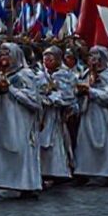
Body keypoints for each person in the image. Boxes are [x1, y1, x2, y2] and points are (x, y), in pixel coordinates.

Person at [0, 42, 42, 199]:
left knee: (21, 151)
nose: (4, 57)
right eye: (2, 54)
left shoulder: (25, 75)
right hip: (2, 119)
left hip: (20, 120)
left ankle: (25, 185)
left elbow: (33, 100)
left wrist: (11, 90)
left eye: (7, 54)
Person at [73, 46, 108, 182]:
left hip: (102, 113)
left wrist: (92, 92)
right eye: (90, 56)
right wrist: (80, 92)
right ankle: (83, 171)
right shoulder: (85, 74)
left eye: (96, 56)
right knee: (84, 141)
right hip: (87, 111)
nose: (93, 59)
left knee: (105, 142)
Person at [37, 46, 76, 182]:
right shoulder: (40, 75)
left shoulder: (66, 75)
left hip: (57, 115)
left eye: (50, 58)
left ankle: (58, 171)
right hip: (43, 114)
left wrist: (54, 98)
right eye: (45, 58)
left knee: (56, 141)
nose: (47, 61)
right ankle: (42, 170)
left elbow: (69, 95)